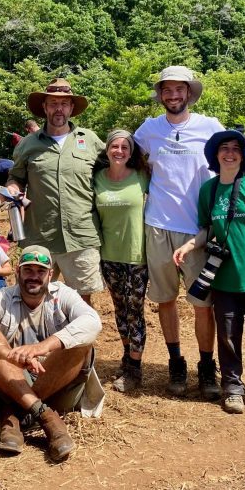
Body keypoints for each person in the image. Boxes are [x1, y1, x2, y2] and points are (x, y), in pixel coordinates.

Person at [0, 245, 104, 461]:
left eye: (40, 271)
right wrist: (7, 354)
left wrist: (41, 347)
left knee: (81, 341)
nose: (33, 277)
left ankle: (14, 413)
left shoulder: (63, 294)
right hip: (15, 378)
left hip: (56, 385)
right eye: (28, 271)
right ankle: (46, 416)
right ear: (17, 272)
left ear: (50, 275)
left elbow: (93, 323)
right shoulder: (1, 298)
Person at [174, 130, 245, 415]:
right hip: (223, 278)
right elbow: (207, 229)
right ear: (216, 154)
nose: (230, 153)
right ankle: (232, 389)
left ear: (244, 154)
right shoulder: (208, 190)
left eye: (236, 148)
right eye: (225, 148)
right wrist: (189, 245)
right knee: (228, 337)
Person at [133, 66, 224, 398]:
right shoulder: (148, 129)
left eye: (179, 90)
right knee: (165, 299)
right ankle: (175, 363)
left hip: (197, 230)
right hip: (157, 226)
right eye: (167, 90)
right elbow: (123, 156)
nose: (173, 96)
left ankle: (206, 367)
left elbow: (234, 157)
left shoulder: (210, 127)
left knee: (203, 303)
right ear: (160, 95)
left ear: (189, 93)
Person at [6, 78, 105, 303]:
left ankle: (76, 340)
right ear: (44, 107)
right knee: (34, 299)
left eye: (64, 104)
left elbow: (110, 174)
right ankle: (40, 339)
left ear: (71, 108)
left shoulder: (90, 141)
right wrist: (13, 189)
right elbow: (16, 177)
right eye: (53, 103)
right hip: (40, 235)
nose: (58, 109)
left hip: (81, 236)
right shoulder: (28, 144)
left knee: (81, 302)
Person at [92, 130, 149, 393]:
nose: (119, 151)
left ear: (131, 151)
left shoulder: (142, 176)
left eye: (125, 147)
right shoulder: (98, 179)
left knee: (134, 310)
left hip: (137, 256)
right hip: (109, 255)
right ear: (107, 150)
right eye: (114, 146)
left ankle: (134, 370)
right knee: (119, 310)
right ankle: (127, 357)